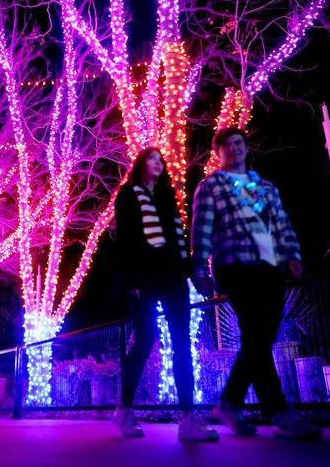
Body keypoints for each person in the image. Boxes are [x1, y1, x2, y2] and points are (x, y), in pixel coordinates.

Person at [191, 127, 322, 439]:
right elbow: (202, 229)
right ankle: (280, 412)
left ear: (246, 148)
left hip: (270, 267)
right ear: (218, 152)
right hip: (234, 265)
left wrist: (292, 256)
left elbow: (282, 223)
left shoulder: (265, 186)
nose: (234, 148)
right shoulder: (211, 186)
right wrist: (200, 269)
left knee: (259, 340)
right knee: (255, 334)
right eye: (227, 145)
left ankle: (229, 404)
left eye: (239, 143)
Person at [113, 147, 218, 442]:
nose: (158, 163)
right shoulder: (128, 193)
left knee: (183, 342)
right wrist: (130, 280)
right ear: (141, 163)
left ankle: (187, 417)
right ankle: (123, 408)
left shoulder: (168, 197)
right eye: (152, 158)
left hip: (173, 277)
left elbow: (178, 240)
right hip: (143, 279)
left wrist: (194, 274)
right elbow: (126, 239)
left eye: (161, 160)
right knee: (145, 339)